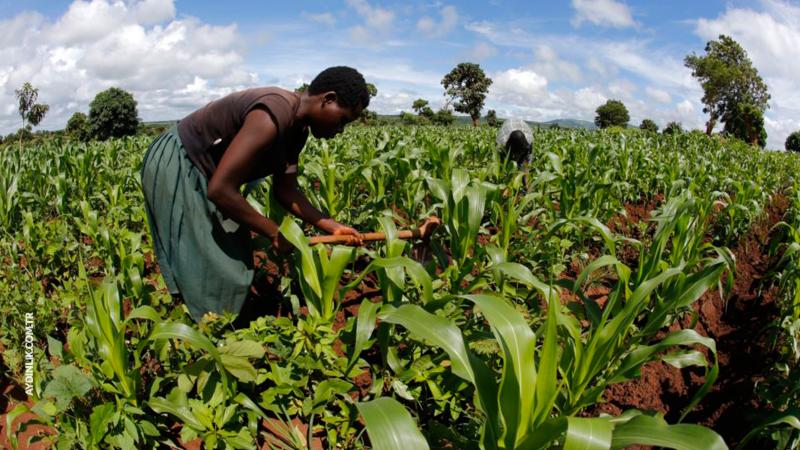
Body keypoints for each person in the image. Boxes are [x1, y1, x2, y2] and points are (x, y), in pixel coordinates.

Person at [140, 66, 368, 323]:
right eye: (344, 120)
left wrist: (331, 226)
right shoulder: (273, 114)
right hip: (181, 161)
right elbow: (220, 189)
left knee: (230, 255)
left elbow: (286, 190)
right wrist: (273, 232)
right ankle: (204, 330)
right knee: (216, 260)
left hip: (209, 175)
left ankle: (209, 319)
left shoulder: (297, 131)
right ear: (328, 99)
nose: (341, 130)